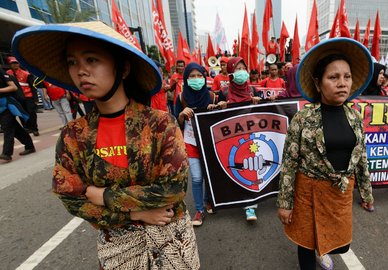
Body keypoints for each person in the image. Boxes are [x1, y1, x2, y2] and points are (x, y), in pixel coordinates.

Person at [12, 21, 200, 268]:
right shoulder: (74, 135)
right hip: (117, 250)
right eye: (72, 62)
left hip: (173, 244)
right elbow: (71, 198)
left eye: (92, 60)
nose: (81, 71)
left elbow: (173, 189)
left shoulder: (160, 124)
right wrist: (133, 214)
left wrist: (103, 195)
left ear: (122, 69)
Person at [277, 38, 375, 270]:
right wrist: (285, 203)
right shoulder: (303, 118)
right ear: (318, 83)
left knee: (341, 245)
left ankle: (323, 250)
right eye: (333, 77)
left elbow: (361, 159)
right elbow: (289, 163)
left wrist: (366, 193)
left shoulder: (355, 118)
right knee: (306, 242)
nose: (342, 83)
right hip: (308, 193)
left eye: (347, 76)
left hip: (340, 193)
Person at [174, 62, 226, 226]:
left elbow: (222, 120)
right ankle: (199, 210)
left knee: (208, 175)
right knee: (197, 177)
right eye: (192, 76)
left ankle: (208, 200)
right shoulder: (181, 97)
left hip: (209, 142)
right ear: (186, 78)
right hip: (191, 142)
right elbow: (176, 123)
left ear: (204, 78)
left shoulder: (212, 96)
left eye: (199, 76)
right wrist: (182, 114)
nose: (196, 79)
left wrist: (218, 108)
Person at [222, 57, 261, 220]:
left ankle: (250, 205)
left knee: (250, 167)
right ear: (231, 72)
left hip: (250, 137)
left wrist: (258, 103)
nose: (241, 72)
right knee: (236, 167)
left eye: (243, 68)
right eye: (237, 69)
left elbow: (263, 114)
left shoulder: (252, 91)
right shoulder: (224, 92)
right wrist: (222, 106)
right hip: (231, 137)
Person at [0, 67, 35, 162]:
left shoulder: (1, 72)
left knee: (7, 128)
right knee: (15, 129)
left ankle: (7, 153)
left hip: (7, 105)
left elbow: (13, 87)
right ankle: (30, 146)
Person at [6, 56, 39, 136]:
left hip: (28, 96)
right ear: (9, 64)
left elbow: (33, 86)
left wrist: (35, 98)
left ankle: (34, 128)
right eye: (13, 63)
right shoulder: (7, 74)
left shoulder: (26, 74)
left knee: (31, 112)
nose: (15, 65)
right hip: (16, 97)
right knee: (21, 113)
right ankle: (26, 127)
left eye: (16, 63)